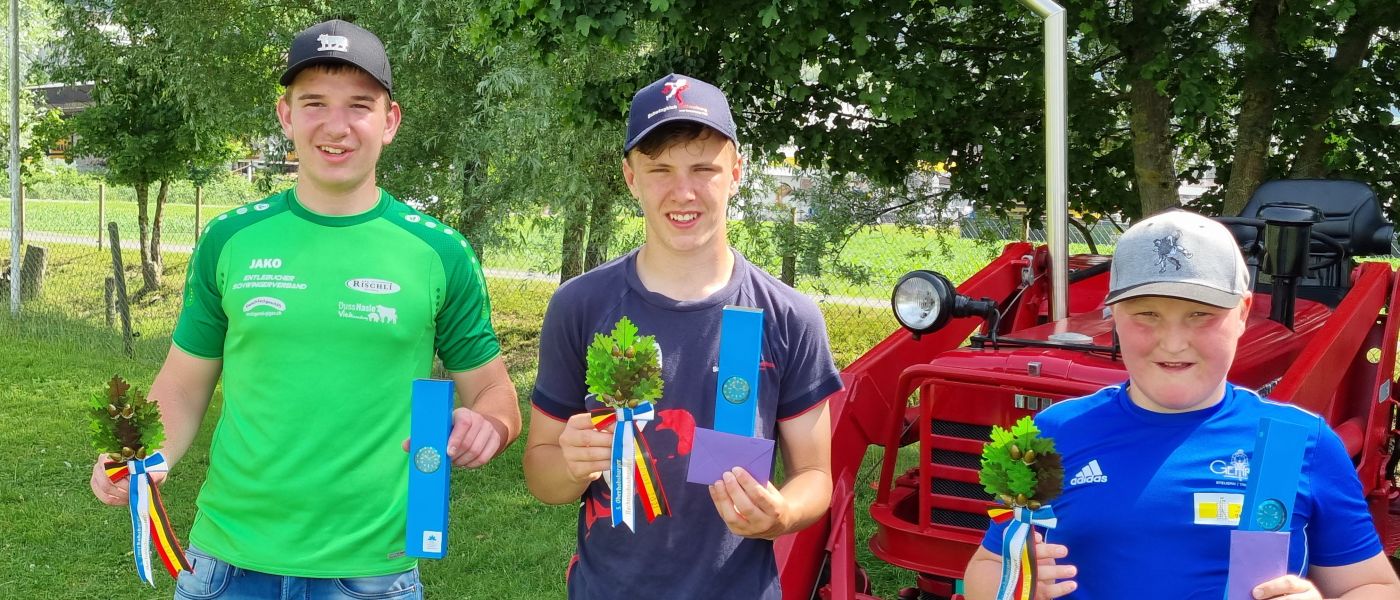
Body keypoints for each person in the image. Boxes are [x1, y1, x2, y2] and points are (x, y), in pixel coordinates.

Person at [88, 19, 520, 599]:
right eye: (313, 102)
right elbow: (184, 387)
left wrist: (484, 426)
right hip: (225, 565)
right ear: (285, 115)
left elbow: (497, 394)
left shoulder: (440, 251)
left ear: (389, 121)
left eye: (359, 105)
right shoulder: (229, 239)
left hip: (371, 571)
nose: (336, 127)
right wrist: (139, 455)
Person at [963, 210, 1400, 599]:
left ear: (1244, 312)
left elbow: (1374, 584)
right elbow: (987, 566)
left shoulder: (1295, 443)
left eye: (1200, 315)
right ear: (1112, 316)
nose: (1173, 342)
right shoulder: (1052, 432)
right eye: (1146, 315)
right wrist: (1010, 586)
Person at [522, 73, 843, 599]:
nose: (683, 191)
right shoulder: (580, 306)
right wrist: (572, 464)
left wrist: (782, 513)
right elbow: (542, 473)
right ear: (630, 177)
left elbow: (814, 475)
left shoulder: (789, 315)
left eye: (704, 168)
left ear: (736, 173)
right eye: (660, 169)